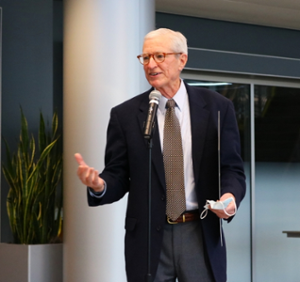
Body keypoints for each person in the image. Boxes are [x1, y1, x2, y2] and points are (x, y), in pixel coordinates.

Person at [75, 28, 246, 282]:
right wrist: (100, 185)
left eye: (159, 56)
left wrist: (230, 197)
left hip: (199, 231)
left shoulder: (217, 108)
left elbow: (232, 168)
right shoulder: (125, 115)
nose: (150, 65)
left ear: (182, 60)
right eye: (145, 58)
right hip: (149, 238)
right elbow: (118, 175)